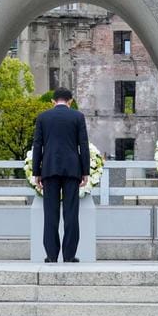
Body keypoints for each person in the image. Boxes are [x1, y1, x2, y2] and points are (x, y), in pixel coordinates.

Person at [31, 88, 89, 263]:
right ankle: (69, 255)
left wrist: (36, 171)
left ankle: (51, 254)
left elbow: (37, 145)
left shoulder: (43, 117)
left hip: (49, 168)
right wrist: (85, 171)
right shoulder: (78, 117)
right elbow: (83, 145)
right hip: (72, 169)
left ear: (53, 101)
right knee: (71, 213)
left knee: (50, 213)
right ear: (70, 101)